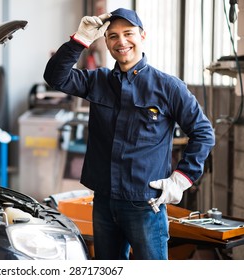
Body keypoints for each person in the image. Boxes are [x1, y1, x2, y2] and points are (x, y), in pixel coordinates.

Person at [43, 8, 215, 260]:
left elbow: (203, 132)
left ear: (142, 36)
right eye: (112, 36)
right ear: (106, 42)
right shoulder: (98, 80)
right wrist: (79, 40)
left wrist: (182, 178)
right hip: (103, 201)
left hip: (145, 204)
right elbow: (55, 78)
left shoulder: (168, 87)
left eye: (128, 33)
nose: (121, 42)